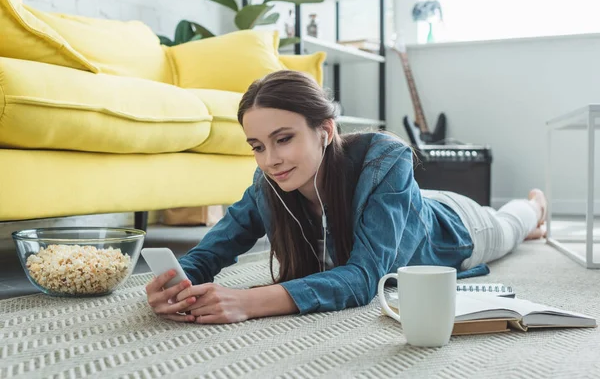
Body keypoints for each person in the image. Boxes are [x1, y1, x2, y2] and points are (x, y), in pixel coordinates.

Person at [145, 70, 547, 324]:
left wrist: (248, 303)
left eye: (284, 139)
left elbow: (365, 279)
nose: (271, 160)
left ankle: (536, 207)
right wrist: (178, 280)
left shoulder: (385, 159)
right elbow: (215, 248)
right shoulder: (267, 183)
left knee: (513, 223)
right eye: (258, 146)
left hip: (456, 228)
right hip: (410, 203)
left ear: (325, 130)